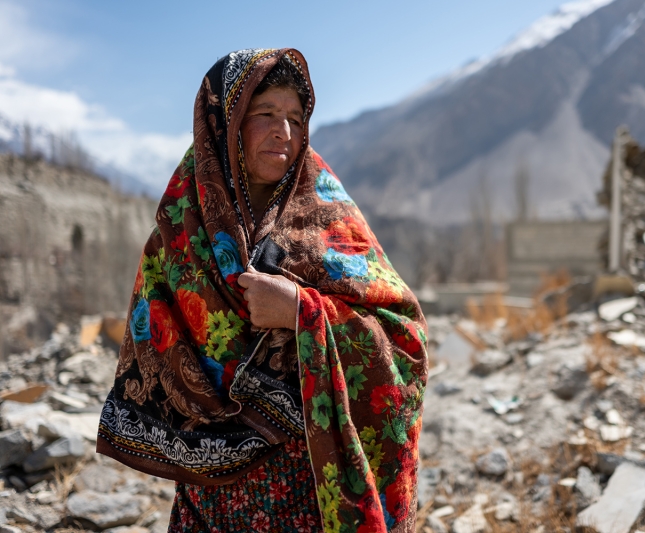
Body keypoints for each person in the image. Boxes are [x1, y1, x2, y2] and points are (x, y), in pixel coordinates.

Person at [96, 48, 428, 533]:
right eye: (267, 114)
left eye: (296, 118)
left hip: (307, 492)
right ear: (224, 124)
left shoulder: (327, 213)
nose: (285, 133)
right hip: (209, 499)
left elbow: (405, 336)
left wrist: (302, 311)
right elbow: (151, 344)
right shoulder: (180, 224)